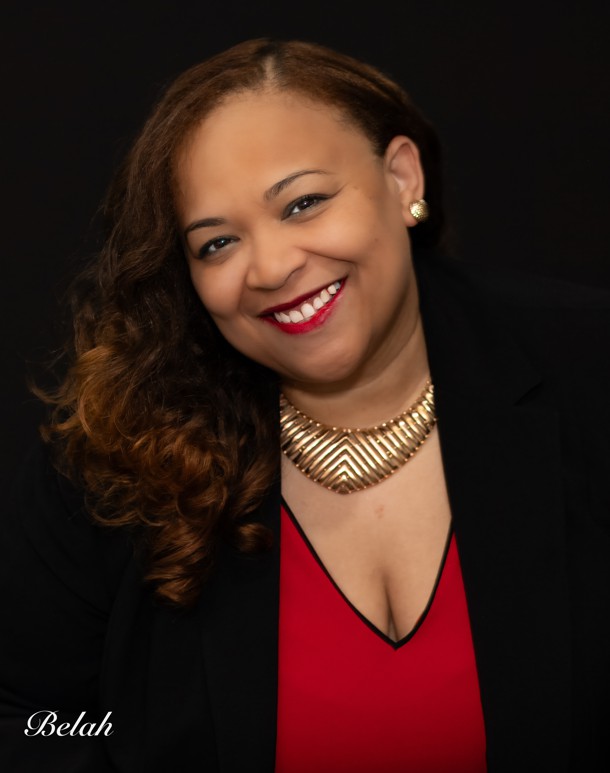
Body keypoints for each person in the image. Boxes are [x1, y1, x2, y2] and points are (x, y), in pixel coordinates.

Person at [1, 38, 609, 773]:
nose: (271, 267)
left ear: (402, 178)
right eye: (217, 243)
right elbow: (27, 721)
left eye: (303, 203)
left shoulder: (587, 367)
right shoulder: (115, 459)